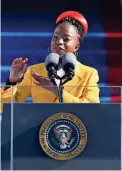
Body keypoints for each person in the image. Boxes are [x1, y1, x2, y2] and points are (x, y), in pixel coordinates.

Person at [0, 11, 100, 112]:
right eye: (55, 37)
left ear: (76, 46)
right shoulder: (34, 71)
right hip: (40, 127)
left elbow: (92, 108)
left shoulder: (89, 74)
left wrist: (58, 92)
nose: (59, 42)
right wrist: (11, 81)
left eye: (66, 39)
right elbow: (4, 108)